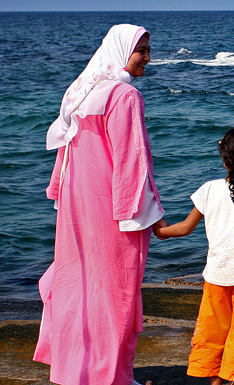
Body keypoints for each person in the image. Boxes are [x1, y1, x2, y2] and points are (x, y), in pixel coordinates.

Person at [35, 24, 167, 385]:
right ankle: (113, 377)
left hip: (79, 209)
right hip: (113, 211)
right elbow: (132, 161)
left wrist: (58, 194)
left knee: (78, 283)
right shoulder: (125, 96)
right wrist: (144, 214)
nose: (148, 58)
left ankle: (72, 370)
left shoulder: (82, 93)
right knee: (116, 291)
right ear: (122, 51)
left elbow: (63, 157)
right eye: (142, 50)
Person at [153, 128, 234, 385]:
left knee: (212, 331)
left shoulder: (208, 190)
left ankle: (215, 382)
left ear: (225, 161)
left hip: (217, 277)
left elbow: (185, 228)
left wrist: (161, 230)